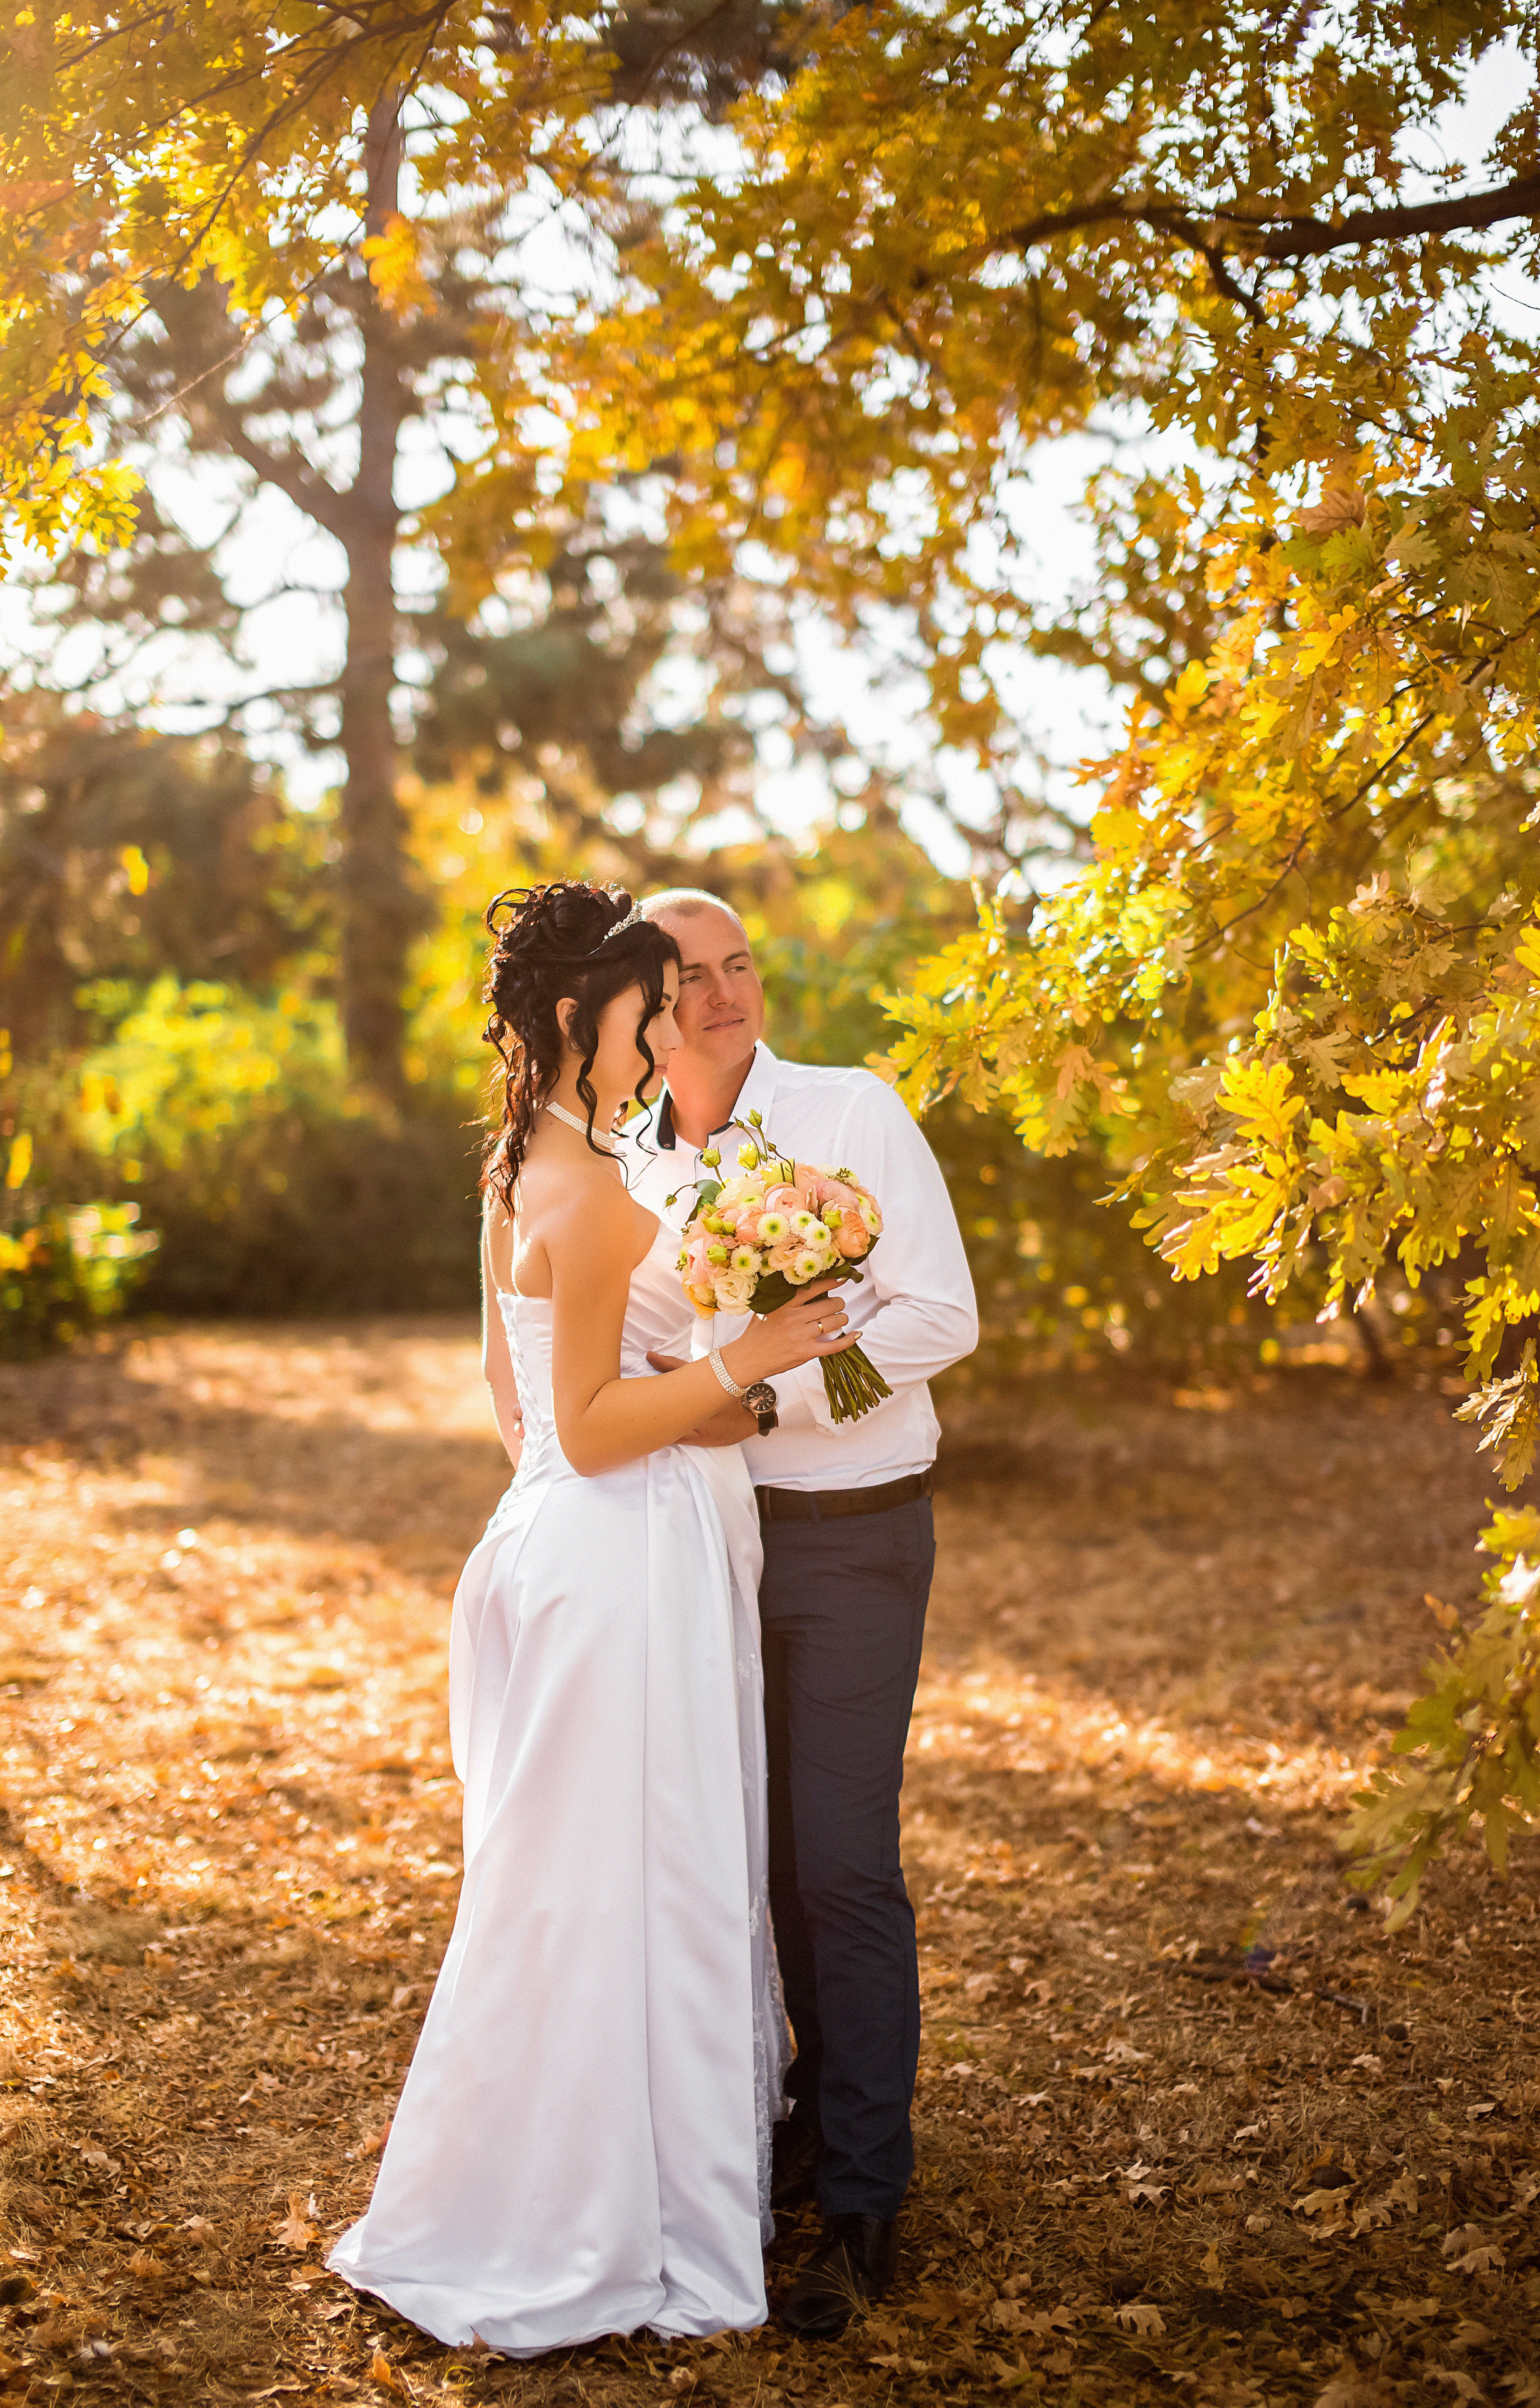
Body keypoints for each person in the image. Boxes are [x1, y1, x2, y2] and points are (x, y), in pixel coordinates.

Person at [327, 881, 858, 2355]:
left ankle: (544, 2182)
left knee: (572, 1882)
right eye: (640, 1021)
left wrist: (636, 1430)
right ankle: (600, 2213)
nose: (655, 1046)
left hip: (570, 1542)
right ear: (578, 1020)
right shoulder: (595, 1186)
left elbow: (522, 1410)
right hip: (619, 1557)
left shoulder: (525, 1162)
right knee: (631, 1879)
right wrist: (745, 1362)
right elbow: (596, 1419)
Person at [626, 889, 978, 2342]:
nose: (724, 996)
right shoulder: (622, 1166)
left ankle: (862, 2201)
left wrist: (770, 1391)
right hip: (703, 1549)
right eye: (688, 980)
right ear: (639, 1015)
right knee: (756, 1866)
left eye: (737, 967)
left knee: (839, 1866)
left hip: (851, 1539)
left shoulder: (847, 1112)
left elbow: (936, 1317)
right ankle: (793, 2142)